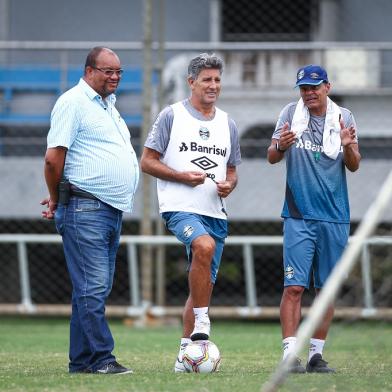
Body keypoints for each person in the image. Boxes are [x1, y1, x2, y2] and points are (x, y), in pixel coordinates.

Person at [41, 47, 139, 374]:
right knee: (92, 289)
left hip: (109, 210)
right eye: (107, 71)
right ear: (88, 70)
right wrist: (56, 198)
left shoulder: (108, 105)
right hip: (85, 207)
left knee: (91, 290)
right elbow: (54, 158)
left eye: (118, 72)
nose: (114, 77)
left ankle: (81, 361)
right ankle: (101, 359)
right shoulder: (73, 102)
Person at [140, 53, 241, 373]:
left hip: (215, 212)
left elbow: (232, 171)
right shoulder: (171, 116)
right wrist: (182, 177)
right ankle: (203, 322)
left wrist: (229, 185)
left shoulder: (228, 123)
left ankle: (185, 356)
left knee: (201, 289)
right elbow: (147, 161)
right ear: (191, 82)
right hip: (179, 207)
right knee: (203, 246)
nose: (213, 86)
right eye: (207, 80)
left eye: (217, 80)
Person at [267, 64, 361, 373]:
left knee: (326, 289)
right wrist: (281, 145)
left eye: (314, 87)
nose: (308, 93)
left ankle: (315, 356)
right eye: (304, 88)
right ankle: (289, 355)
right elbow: (272, 156)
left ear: (327, 87)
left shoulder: (343, 117)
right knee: (294, 287)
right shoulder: (289, 114)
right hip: (299, 215)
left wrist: (348, 146)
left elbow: (354, 164)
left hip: (334, 216)